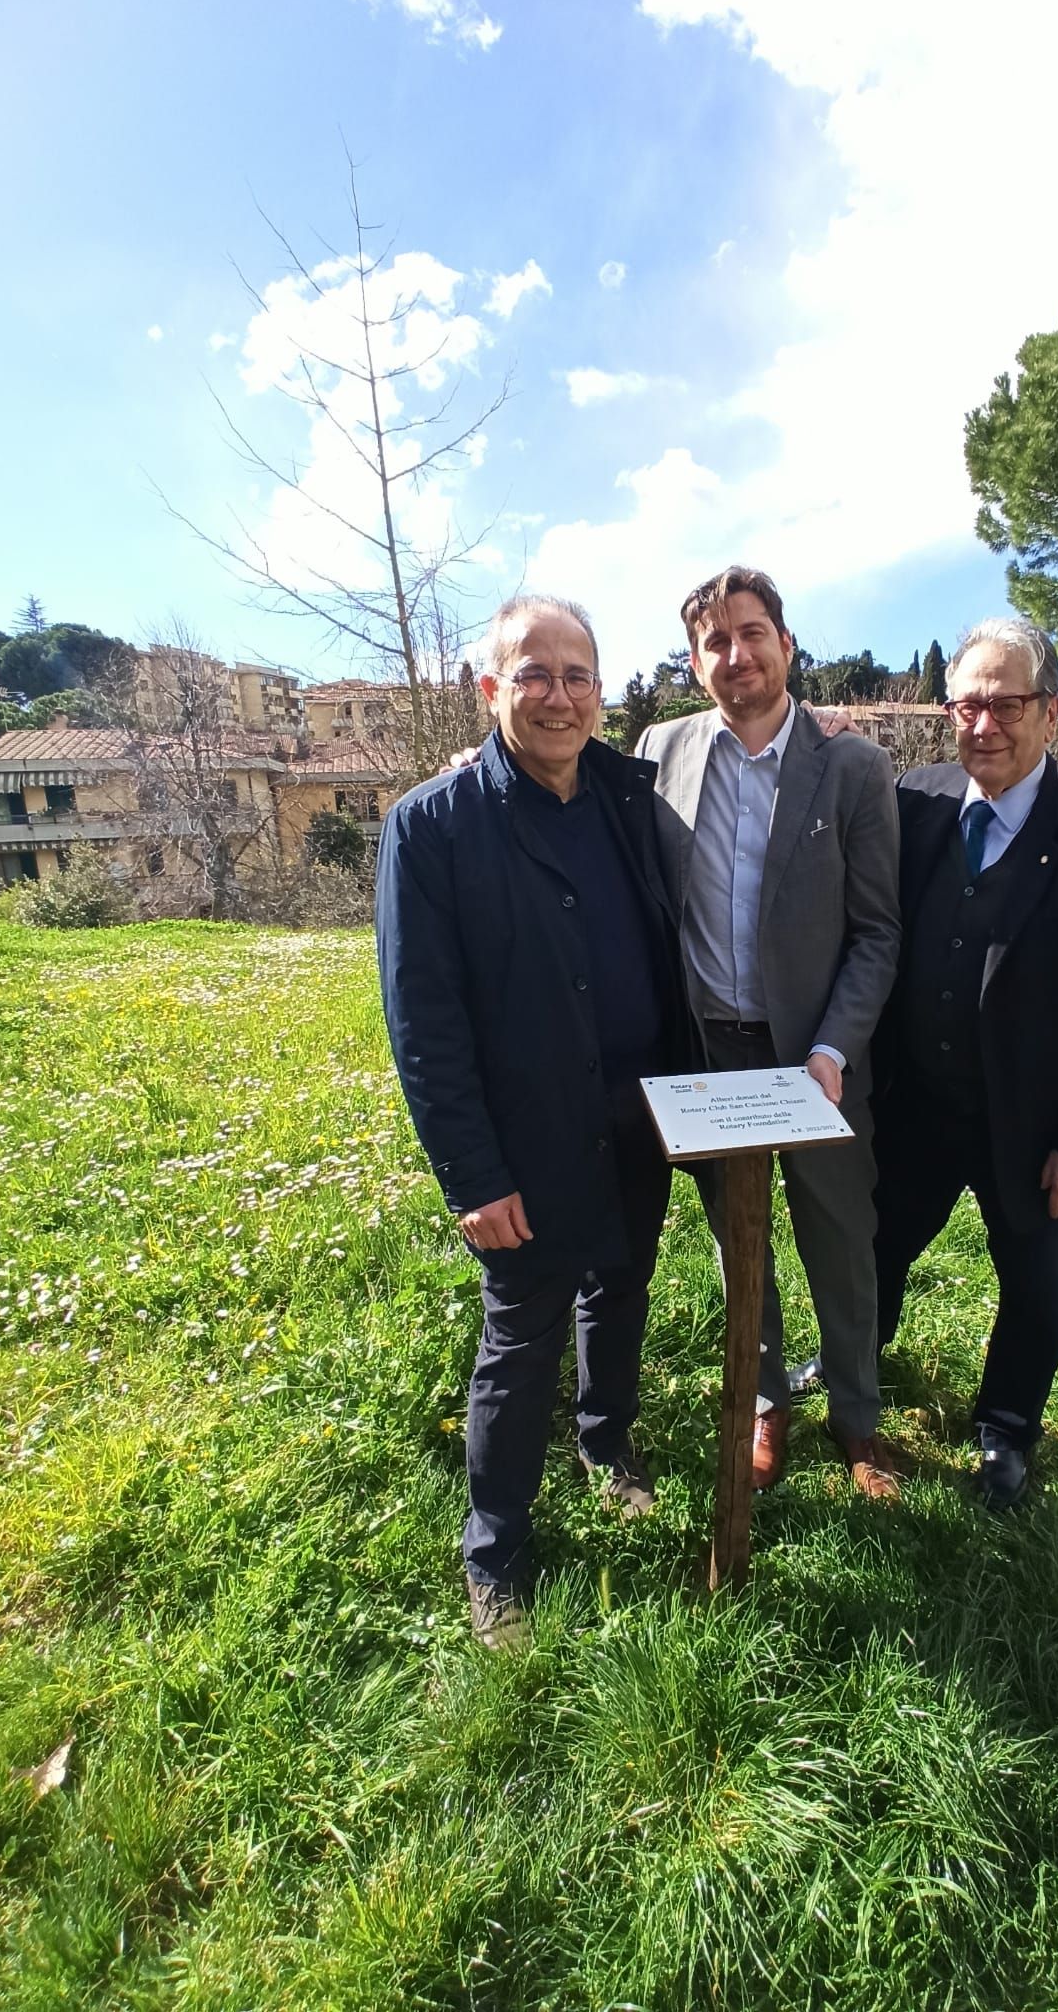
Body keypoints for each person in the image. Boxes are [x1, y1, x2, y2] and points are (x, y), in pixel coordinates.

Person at [790, 617, 1058, 1510]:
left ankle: (1006, 1428)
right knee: (876, 1246)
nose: (983, 724)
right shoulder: (912, 800)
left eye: (1006, 703)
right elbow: (797, 805)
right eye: (966, 704)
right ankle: (854, 1360)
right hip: (917, 1103)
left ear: (1051, 714)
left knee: (1037, 1282)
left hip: (1037, 1121)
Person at [375, 595, 690, 1651]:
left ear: (602, 691)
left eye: (578, 675)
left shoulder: (630, 797)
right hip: (525, 1141)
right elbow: (424, 1020)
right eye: (535, 673)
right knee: (520, 1338)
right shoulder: (432, 825)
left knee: (624, 1286)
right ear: (490, 687)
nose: (558, 695)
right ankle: (495, 1549)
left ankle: (607, 1444)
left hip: (639, 1116)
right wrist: (472, 1174)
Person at [635, 566, 902, 1499]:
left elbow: (877, 931)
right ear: (697, 660)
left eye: (752, 634)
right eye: (715, 641)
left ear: (786, 644)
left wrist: (833, 1051)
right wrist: (474, 763)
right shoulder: (659, 750)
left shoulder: (854, 767)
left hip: (819, 1059)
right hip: (712, 1055)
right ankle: (763, 1404)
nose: (736, 654)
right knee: (736, 1237)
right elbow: (565, 775)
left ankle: (858, 1420)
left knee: (840, 1237)